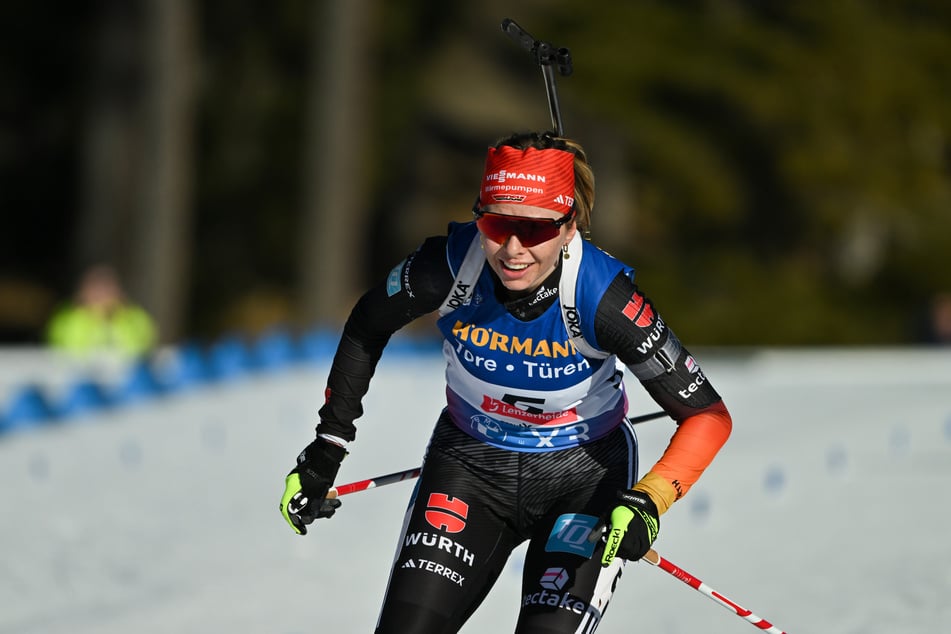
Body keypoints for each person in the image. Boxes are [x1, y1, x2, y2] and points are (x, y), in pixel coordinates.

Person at [279, 131, 733, 633]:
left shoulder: (602, 297)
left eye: (535, 230)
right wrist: (328, 447)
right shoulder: (451, 264)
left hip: (584, 479)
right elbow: (368, 323)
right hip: (470, 466)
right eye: (496, 225)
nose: (513, 250)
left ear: (568, 226)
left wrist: (649, 502)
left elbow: (707, 417)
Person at [46, 264, 157, 358]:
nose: (102, 295)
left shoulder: (133, 316)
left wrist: (119, 316)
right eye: (96, 289)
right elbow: (67, 350)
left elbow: (139, 350)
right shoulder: (68, 316)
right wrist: (89, 316)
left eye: (107, 288)